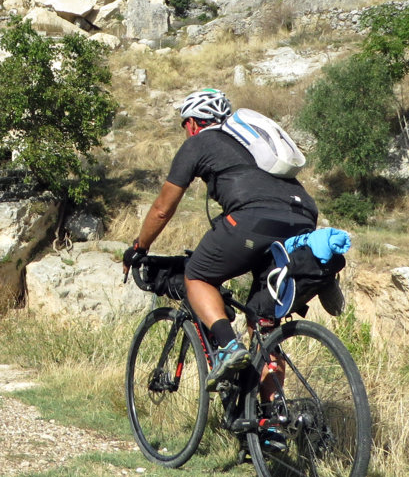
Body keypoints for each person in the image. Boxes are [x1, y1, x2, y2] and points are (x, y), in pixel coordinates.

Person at [123, 88, 318, 384]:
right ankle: (271, 422)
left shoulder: (199, 143)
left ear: (191, 123)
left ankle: (228, 346)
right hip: (303, 219)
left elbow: (163, 209)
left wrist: (140, 246)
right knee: (263, 327)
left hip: (253, 219)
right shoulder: (251, 143)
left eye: (184, 126)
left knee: (197, 275)